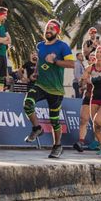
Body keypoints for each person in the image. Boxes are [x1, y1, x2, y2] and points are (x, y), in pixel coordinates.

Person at [22, 19, 76, 159]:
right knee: (27, 103)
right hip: (40, 84)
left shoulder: (62, 46)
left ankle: (57, 146)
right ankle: (37, 128)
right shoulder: (40, 45)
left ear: (57, 31)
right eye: (47, 28)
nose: (48, 30)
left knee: (54, 121)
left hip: (56, 90)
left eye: (52, 28)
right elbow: (40, 60)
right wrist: (35, 72)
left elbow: (71, 64)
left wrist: (56, 61)